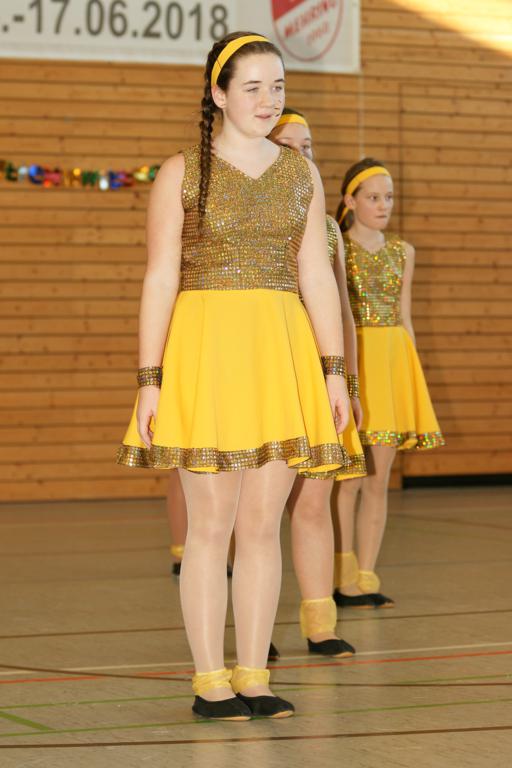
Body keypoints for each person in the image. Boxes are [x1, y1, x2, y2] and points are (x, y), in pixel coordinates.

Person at [117, 32, 352, 721]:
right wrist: (150, 377)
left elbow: (317, 276)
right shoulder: (182, 171)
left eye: (277, 86)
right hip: (206, 351)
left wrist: (334, 371)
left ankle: (254, 675)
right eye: (253, 87)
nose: (268, 100)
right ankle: (209, 681)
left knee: (261, 525)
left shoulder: (300, 174)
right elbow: (160, 278)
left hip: (280, 352)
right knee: (211, 524)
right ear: (219, 94)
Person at [267, 109, 365, 657]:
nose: (302, 155)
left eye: (309, 146)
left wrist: (347, 381)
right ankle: (254, 630)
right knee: (251, 513)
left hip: (316, 374)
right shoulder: (247, 216)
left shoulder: (326, 228)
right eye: (290, 145)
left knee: (313, 501)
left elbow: (343, 312)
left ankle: (319, 623)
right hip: (265, 368)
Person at [332, 158, 445, 609]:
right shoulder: (337, 247)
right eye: (374, 197)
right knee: (349, 481)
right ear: (350, 200)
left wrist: (411, 376)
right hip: (356, 361)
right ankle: (340, 576)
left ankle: (366, 575)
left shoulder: (404, 252)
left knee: (378, 481)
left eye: (389, 197)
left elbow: (405, 316)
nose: (383, 205)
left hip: (393, 362)